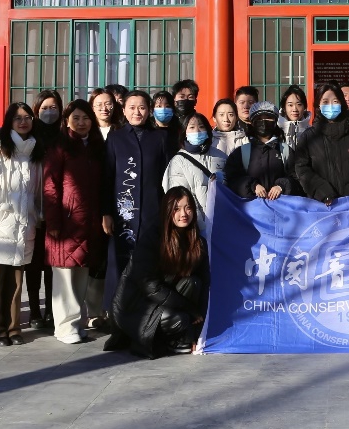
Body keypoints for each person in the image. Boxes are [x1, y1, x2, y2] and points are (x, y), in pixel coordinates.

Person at [0, 103, 45, 346]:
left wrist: (39, 216)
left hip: (24, 226)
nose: (23, 122)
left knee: (15, 283)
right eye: (17, 118)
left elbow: (38, 192)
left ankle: (13, 328)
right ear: (9, 121)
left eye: (27, 118)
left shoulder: (34, 152)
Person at [106, 186, 209, 358]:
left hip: (166, 300)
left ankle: (179, 336)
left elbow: (206, 284)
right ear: (168, 210)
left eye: (188, 207)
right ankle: (169, 338)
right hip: (135, 304)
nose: (183, 213)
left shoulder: (197, 242)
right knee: (180, 319)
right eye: (176, 208)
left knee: (195, 283)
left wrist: (199, 333)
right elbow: (150, 286)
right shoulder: (152, 237)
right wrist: (189, 309)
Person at [42, 99, 107, 345]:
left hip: (88, 223)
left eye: (85, 118)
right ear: (67, 120)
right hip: (65, 222)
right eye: (76, 118)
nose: (81, 123)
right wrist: (54, 222)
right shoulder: (59, 146)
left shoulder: (95, 147)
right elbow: (50, 186)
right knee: (64, 277)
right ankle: (64, 327)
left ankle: (78, 322)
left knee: (81, 275)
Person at [104, 90, 168, 277]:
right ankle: (118, 305)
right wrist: (106, 212)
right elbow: (107, 177)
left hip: (152, 210)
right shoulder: (115, 138)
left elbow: (167, 176)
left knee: (150, 263)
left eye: (142, 107)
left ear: (149, 110)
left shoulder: (160, 138)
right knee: (121, 263)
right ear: (123, 110)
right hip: (122, 212)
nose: (137, 112)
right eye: (132, 108)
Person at [27, 88, 64, 330]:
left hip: (56, 211)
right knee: (33, 264)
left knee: (52, 264)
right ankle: (33, 311)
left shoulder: (64, 138)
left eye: (53, 108)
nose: (49, 113)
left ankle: (51, 310)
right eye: (44, 108)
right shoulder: (29, 137)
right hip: (31, 208)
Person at [294, 85, 349, 204]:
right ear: (319, 105)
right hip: (320, 205)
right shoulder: (309, 137)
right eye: (325, 102)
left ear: (341, 104)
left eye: (335, 101)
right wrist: (323, 192)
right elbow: (301, 169)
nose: (330, 106)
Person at [163, 112, 227, 237]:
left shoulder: (221, 156)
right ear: (184, 132)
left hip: (222, 224)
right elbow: (181, 199)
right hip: (195, 229)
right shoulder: (178, 162)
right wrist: (202, 228)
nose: (197, 130)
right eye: (192, 127)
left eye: (201, 127)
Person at [224, 101, 299, 200]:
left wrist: (282, 186)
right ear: (252, 123)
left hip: (280, 210)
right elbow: (231, 180)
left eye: (268, 118)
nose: (263, 121)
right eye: (259, 119)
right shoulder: (241, 152)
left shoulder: (286, 151)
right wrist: (252, 186)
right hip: (250, 211)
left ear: (275, 121)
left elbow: (298, 178)